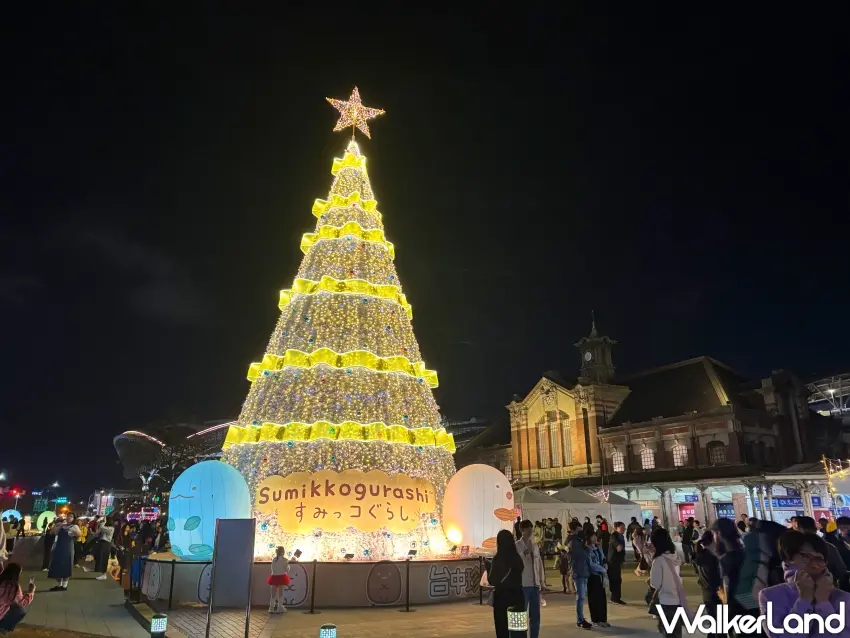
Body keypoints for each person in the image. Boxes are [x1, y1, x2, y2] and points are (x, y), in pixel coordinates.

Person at [759, 530, 850, 638]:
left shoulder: (843, 598)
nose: (813, 563)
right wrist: (804, 600)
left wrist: (823, 602)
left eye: (819, 558)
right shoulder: (771, 596)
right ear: (790, 558)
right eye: (806, 556)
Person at [649, 527, 690, 638]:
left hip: (666, 601)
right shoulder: (675, 556)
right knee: (676, 633)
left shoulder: (659, 561)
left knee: (668, 633)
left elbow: (655, 584)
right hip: (678, 600)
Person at [488, 529, 526, 638]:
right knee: (518, 630)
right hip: (517, 597)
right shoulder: (517, 558)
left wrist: (488, 567)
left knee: (502, 629)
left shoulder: (498, 559)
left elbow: (492, 580)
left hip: (502, 598)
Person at [795, 516, 846, 587]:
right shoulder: (829, 547)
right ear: (815, 528)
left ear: (799, 529)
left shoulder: (794, 550)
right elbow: (841, 570)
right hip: (829, 587)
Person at [516, 520, 544, 638]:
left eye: (531, 529)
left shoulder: (535, 546)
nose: (530, 531)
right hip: (523, 584)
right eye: (527, 529)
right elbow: (516, 564)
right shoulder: (517, 545)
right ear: (522, 530)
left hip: (535, 585)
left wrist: (542, 581)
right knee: (521, 614)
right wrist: (524, 554)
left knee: (535, 615)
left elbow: (539, 564)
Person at [694, 531, 722, 638]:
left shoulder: (699, 556)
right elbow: (716, 577)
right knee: (719, 625)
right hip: (716, 593)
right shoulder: (712, 558)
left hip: (706, 593)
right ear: (713, 541)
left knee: (713, 623)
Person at [47, 514, 81, 591]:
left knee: (66, 565)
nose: (69, 517)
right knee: (57, 565)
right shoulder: (62, 525)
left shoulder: (74, 526)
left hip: (68, 548)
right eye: (68, 516)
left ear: (74, 519)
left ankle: (64, 586)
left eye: (71, 516)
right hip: (59, 547)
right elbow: (53, 532)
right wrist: (57, 524)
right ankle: (59, 585)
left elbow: (79, 534)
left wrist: (74, 531)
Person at [569, 521, 592, 629]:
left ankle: (581, 618)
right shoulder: (573, 541)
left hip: (583, 571)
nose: (581, 531)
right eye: (579, 529)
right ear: (574, 530)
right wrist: (587, 547)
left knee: (582, 597)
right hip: (578, 572)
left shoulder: (579, 540)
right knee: (581, 597)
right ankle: (580, 620)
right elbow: (582, 555)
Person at [0, 563, 35, 633]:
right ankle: (3, 628)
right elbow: (22, 603)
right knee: (20, 610)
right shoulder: (13, 587)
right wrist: (31, 591)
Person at [586, 531, 609, 627]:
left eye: (595, 536)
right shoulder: (587, 550)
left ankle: (603, 619)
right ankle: (596, 619)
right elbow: (591, 564)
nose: (595, 538)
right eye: (592, 537)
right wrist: (602, 569)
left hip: (601, 575)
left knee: (602, 598)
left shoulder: (598, 548)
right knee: (594, 598)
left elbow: (603, 558)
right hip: (593, 576)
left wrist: (605, 564)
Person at [267, 546, 291, 613]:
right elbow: (287, 570)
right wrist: (288, 566)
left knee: (273, 594)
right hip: (282, 577)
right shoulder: (285, 560)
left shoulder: (274, 559)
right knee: (281, 593)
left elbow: (272, 569)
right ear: (283, 552)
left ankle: (271, 608)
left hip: (274, 577)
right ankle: (280, 607)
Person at [608, 521, 626, 605]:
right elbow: (618, 548)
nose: (624, 529)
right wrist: (620, 547)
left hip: (617, 561)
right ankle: (614, 598)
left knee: (618, 580)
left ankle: (617, 598)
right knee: (615, 579)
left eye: (624, 527)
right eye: (622, 527)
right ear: (617, 528)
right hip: (613, 562)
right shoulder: (614, 536)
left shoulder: (621, 536)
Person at [93, 516, 115, 581]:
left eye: (104, 520)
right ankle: (101, 573)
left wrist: (103, 522)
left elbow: (102, 527)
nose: (103, 521)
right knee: (100, 558)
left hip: (106, 544)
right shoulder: (105, 527)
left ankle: (104, 574)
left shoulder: (111, 528)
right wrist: (93, 532)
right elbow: (97, 533)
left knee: (104, 558)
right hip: (101, 543)